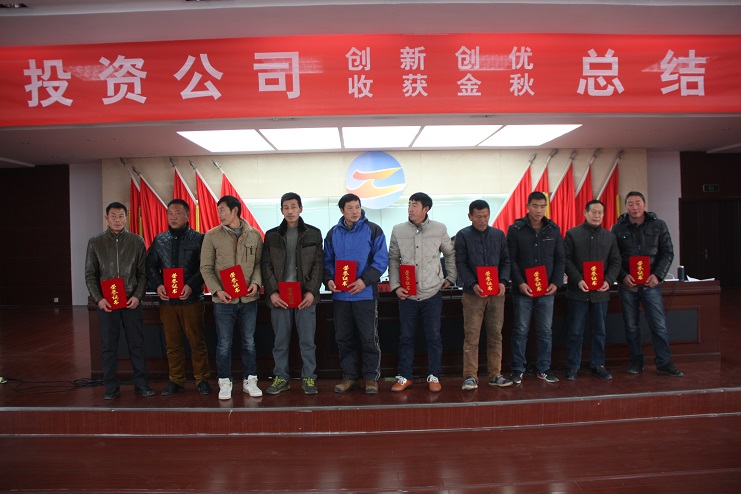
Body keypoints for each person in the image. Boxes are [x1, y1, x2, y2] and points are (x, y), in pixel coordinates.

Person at [85, 202, 154, 400]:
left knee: (136, 344)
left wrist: (137, 296)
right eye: (113, 216)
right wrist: (99, 299)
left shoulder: (136, 241)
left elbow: (143, 274)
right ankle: (111, 387)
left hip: (131, 302)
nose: (117, 220)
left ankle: (141, 384)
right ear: (107, 218)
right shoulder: (95, 242)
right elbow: (90, 275)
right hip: (107, 303)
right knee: (108, 346)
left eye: (121, 216)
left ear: (127, 217)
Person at [388, 192, 456, 393]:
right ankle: (405, 376)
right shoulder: (398, 230)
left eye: (415, 205)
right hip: (407, 293)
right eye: (409, 204)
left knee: (433, 336)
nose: (410, 209)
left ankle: (434, 375)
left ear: (426, 209)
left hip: (432, 292)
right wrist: (395, 286)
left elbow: (450, 253)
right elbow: (393, 259)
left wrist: (451, 277)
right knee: (406, 337)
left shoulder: (439, 228)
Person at [611, 191, 684, 377]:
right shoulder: (617, 228)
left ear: (644, 204)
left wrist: (658, 276)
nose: (634, 207)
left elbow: (667, 252)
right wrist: (622, 276)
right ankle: (636, 360)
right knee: (631, 326)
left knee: (659, 325)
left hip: (651, 284)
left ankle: (663, 362)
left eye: (638, 203)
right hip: (628, 285)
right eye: (630, 204)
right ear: (626, 207)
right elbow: (613, 257)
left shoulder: (658, 225)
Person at [323, 193, 388, 394]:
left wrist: (364, 281)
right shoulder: (333, 233)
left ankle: (371, 378)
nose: (355, 211)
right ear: (342, 210)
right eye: (350, 208)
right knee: (344, 338)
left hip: (365, 295)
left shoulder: (373, 230)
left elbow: (381, 260)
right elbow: (327, 261)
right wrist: (329, 279)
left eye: (357, 207)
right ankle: (349, 377)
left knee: (368, 338)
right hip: (341, 296)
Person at [200, 195, 264, 400]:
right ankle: (225, 382)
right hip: (223, 300)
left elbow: (259, 264)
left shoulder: (254, 235)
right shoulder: (212, 236)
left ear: (235, 210)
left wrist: (256, 283)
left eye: (222, 209)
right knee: (224, 343)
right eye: (218, 210)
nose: (219, 214)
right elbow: (205, 267)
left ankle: (250, 380)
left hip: (248, 299)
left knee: (249, 342)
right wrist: (217, 290)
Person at [146, 199, 211, 395]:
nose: (173, 217)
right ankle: (176, 380)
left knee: (197, 343)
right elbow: (150, 266)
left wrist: (191, 285)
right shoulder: (160, 240)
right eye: (170, 213)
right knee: (172, 344)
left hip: (192, 300)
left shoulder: (199, 239)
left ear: (188, 215)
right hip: (167, 302)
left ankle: (202, 380)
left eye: (178, 213)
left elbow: (205, 267)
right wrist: (158, 285)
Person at [261, 192, 324, 395]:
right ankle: (281, 377)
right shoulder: (271, 235)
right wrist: (272, 293)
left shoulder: (314, 233)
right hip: (280, 297)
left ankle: (309, 378)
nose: (290, 211)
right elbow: (265, 265)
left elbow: (318, 265)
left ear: (301, 209)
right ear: (281, 210)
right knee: (280, 342)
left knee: (307, 342)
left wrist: (311, 292)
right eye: (286, 207)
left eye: (293, 207)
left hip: (305, 297)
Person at [507, 191, 565, 384]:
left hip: (546, 290)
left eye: (542, 206)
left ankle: (544, 368)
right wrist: (520, 283)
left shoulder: (553, 229)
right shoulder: (515, 229)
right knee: (521, 330)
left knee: (545, 331)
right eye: (535, 206)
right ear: (527, 206)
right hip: (523, 290)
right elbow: (511, 260)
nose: (539, 210)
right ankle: (518, 368)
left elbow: (560, 258)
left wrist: (556, 282)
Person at [455, 200, 512, 390]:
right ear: (470, 216)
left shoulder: (498, 235)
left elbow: (506, 260)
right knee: (472, 337)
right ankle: (470, 376)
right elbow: (461, 263)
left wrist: (503, 281)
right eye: (479, 216)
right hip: (473, 294)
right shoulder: (463, 235)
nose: (483, 220)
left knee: (496, 335)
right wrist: (472, 284)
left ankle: (496, 374)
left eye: (486, 216)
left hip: (496, 294)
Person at [564, 199, 622, 380]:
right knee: (575, 331)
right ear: (585, 212)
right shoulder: (572, 234)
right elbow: (566, 260)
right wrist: (578, 280)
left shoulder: (609, 237)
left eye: (600, 213)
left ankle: (598, 365)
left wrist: (609, 280)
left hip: (600, 293)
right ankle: (573, 366)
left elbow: (616, 261)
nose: (597, 216)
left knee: (599, 331)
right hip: (578, 291)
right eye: (594, 212)